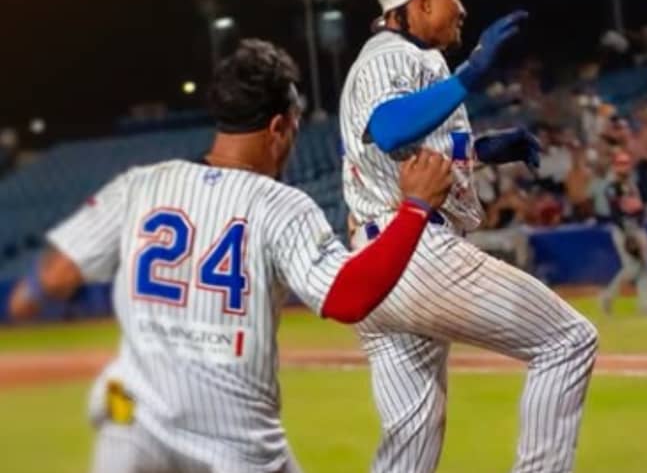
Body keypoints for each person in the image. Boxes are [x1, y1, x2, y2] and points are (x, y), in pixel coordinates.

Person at [6, 39, 455, 473]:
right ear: (279, 127)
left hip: (132, 426)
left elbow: (55, 278)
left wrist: (30, 294)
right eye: (294, 127)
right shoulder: (281, 206)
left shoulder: (142, 184)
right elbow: (347, 298)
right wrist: (414, 209)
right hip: (236, 441)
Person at [338, 0, 598, 473]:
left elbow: (409, 149)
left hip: (380, 266)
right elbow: (387, 128)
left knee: (414, 434)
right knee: (568, 342)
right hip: (412, 250)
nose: (461, 9)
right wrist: (469, 75)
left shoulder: (413, 60)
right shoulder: (389, 53)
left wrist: (480, 150)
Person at [598, 147, 647, 315]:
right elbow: (615, 213)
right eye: (621, 164)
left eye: (626, 163)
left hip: (638, 229)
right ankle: (607, 297)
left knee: (644, 267)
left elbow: (639, 210)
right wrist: (628, 234)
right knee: (631, 268)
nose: (625, 167)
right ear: (615, 166)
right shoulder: (612, 187)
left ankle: (644, 304)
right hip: (623, 231)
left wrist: (643, 232)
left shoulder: (631, 186)